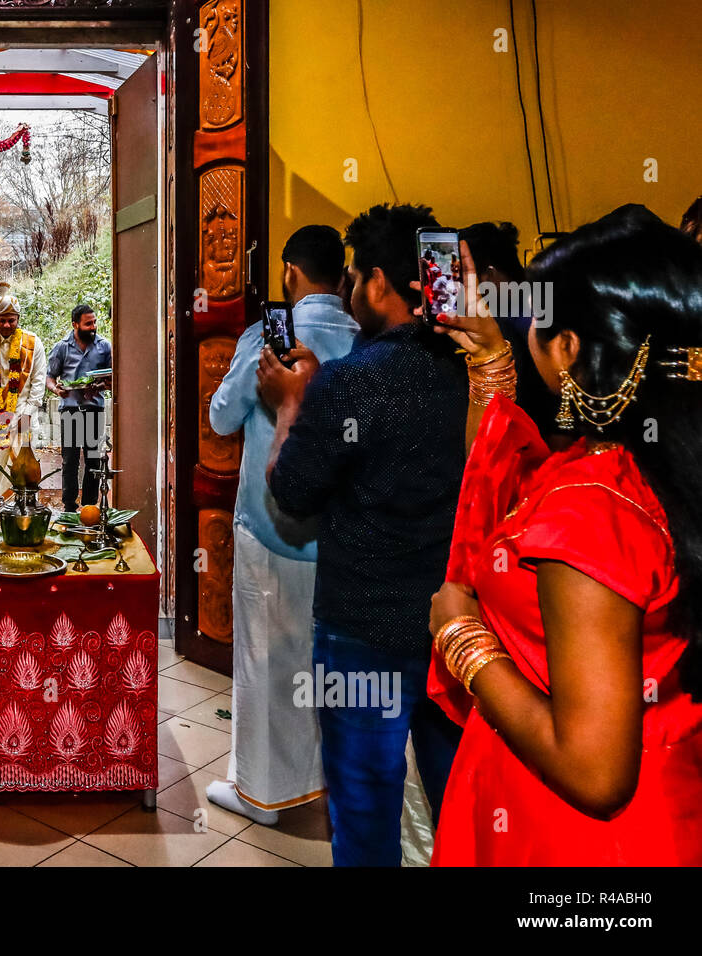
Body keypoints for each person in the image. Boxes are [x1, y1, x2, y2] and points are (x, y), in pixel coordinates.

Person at [428, 205, 702, 865]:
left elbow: (594, 771)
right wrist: (491, 365)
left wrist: (462, 639)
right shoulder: (642, 463)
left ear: (570, 347)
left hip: (574, 835)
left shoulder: (589, 508)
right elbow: (503, 488)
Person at [260, 203, 466, 866]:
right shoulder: (476, 372)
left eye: (354, 278)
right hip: (455, 626)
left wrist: (293, 404)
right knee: (459, 800)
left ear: (378, 282)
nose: (348, 293)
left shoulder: (350, 381)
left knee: (363, 807)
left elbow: (292, 492)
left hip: (362, 630)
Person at [206, 225, 358, 825]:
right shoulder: (364, 337)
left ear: (290, 272)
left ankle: (262, 793)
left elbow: (221, 418)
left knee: (266, 657)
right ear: (342, 274)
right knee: (328, 664)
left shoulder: (272, 336)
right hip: (343, 534)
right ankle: (324, 783)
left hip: (271, 525)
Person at [460, 220, 558, 432]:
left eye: (468, 278)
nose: (465, 290)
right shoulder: (505, 310)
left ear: (489, 273)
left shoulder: (537, 311)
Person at [0, 282, 46, 495]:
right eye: (1, 320)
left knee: (26, 469)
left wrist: (27, 415)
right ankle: (3, 513)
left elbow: (38, 381)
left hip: (25, 416)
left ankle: (27, 515)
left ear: (18, 319)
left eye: (11, 320)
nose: (6, 325)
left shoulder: (33, 344)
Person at [46, 304, 112, 513]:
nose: (93, 327)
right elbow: (49, 377)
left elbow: (113, 378)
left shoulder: (104, 346)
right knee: (70, 460)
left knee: (93, 458)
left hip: (94, 409)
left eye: (94, 322)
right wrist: (56, 390)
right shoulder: (62, 347)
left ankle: (90, 507)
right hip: (70, 410)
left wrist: (101, 386)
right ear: (75, 324)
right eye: (88, 323)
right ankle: (69, 506)